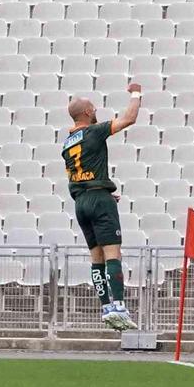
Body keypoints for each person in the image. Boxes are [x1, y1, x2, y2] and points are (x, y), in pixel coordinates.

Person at [61, 84, 142, 331]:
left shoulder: (66, 144)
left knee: (95, 258)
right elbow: (129, 118)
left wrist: (99, 190)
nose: (96, 110)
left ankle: (106, 307)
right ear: (86, 111)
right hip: (98, 200)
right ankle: (119, 306)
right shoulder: (94, 131)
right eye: (93, 107)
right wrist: (136, 94)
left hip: (82, 202)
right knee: (113, 254)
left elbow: (77, 177)